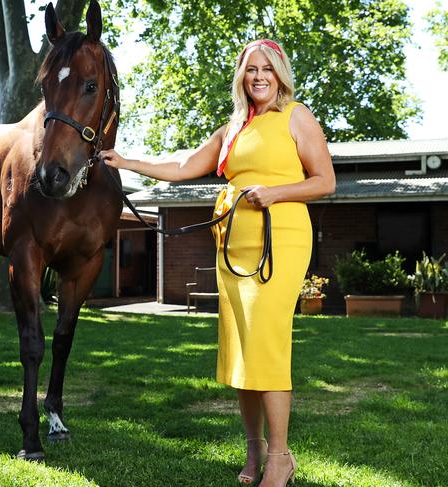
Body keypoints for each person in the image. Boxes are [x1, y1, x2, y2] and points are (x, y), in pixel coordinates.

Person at [101, 39, 335, 486]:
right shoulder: (234, 126)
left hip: (279, 237)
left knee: (265, 344)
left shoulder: (296, 116)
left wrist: (275, 192)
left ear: (280, 74)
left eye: (267, 69)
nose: (259, 76)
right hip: (234, 242)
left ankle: (281, 458)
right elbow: (186, 165)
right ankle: (255, 451)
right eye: (251, 70)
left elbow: (325, 181)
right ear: (241, 78)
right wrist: (128, 161)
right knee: (242, 349)